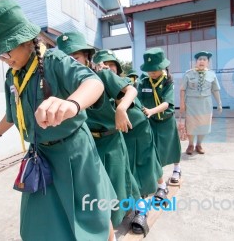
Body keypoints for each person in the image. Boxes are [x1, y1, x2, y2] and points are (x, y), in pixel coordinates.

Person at [0, 0, 117, 241]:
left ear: (26, 40)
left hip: (74, 151)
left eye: (6, 50)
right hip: (40, 156)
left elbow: (93, 83)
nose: (4, 58)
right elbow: (12, 113)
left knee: (92, 216)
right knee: (38, 224)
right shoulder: (13, 76)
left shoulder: (54, 60)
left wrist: (71, 104)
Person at [57, 32, 149, 235]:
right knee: (96, 188)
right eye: (67, 59)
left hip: (110, 140)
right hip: (86, 143)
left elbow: (131, 90)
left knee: (120, 181)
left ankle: (139, 210)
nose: (71, 62)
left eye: (76, 58)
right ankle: (104, 226)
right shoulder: (63, 81)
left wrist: (121, 108)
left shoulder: (101, 75)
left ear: (87, 58)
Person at [93, 50, 165, 211]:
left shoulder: (123, 81)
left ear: (117, 67)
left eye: (111, 64)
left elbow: (127, 95)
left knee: (148, 160)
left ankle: (161, 186)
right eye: (104, 64)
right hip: (122, 131)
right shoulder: (96, 85)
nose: (108, 67)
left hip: (139, 126)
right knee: (131, 167)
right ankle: (138, 200)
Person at [137, 48, 182, 192]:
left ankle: (177, 168)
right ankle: (158, 175)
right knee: (155, 149)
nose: (151, 72)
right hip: (151, 121)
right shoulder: (144, 82)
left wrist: (151, 111)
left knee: (172, 145)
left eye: (154, 69)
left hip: (166, 120)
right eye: (149, 70)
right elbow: (138, 99)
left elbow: (166, 103)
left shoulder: (168, 81)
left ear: (163, 66)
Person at [180, 51, 222, 154]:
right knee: (191, 125)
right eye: (199, 59)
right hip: (191, 104)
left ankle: (199, 144)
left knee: (204, 125)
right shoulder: (188, 74)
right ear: (196, 62)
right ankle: (190, 145)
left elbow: (215, 90)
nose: (201, 61)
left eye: (204, 59)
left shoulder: (212, 74)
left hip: (206, 104)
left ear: (208, 62)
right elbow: (182, 90)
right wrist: (182, 104)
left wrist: (219, 103)